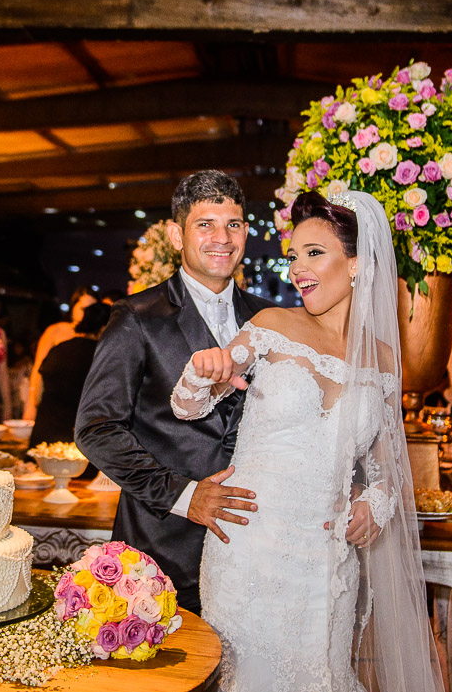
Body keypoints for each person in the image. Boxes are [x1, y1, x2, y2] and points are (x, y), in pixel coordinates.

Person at [171, 191, 442, 692]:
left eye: (314, 252)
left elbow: (386, 465)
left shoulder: (383, 359)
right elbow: (189, 406)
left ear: (357, 264)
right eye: (293, 256)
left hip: (328, 560)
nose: (297, 267)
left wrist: (373, 505)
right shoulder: (272, 326)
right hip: (250, 546)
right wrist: (203, 372)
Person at [75, 170, 273, 614]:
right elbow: (96, 429)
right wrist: (185, 495)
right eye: (206, 224)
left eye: (234, 224)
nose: (222, 237)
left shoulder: (269, 319)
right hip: (161, 547)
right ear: (175, 235)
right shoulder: (137, 316)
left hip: (256, 546)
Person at [31, 303, 110, 447]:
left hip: (44, 436)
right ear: (104, 328)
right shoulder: (102, 357)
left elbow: (38, 394)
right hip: (76, 443)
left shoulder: (60, 348)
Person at [25, 286, 98, 420]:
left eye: (91, 310)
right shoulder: (56, 331)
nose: (87, 314)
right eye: (83, 309)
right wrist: (31, 406)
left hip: (81, 408)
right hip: (54, 406)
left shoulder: (96, 338)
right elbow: (38, 368)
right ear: (73, 307)